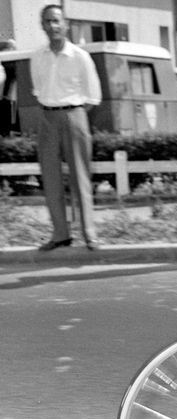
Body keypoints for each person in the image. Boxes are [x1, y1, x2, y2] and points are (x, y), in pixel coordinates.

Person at [30, 4, 102, 251]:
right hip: (47, 118)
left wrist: (73, 115)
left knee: (80, 178)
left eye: (56, 21)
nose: (53, 26)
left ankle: (89, 233)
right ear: (42, 26)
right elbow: (38, 90)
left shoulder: (80, 57)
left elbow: (93, 97)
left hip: (75, 115)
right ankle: (60, 234)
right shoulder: (37, 57)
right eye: (48, 21)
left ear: (66, 24)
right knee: (50, 179)